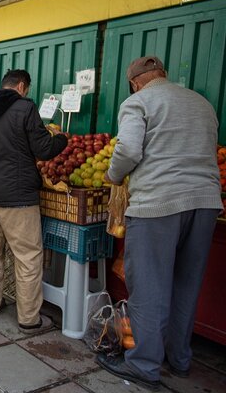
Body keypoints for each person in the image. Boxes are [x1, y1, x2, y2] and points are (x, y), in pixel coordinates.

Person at [97, 57, 222, 391]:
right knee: (186, 284)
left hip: (158, 204)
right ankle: (179, 359)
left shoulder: (138, 102)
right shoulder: (202, 103)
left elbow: (127, 151)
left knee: (149, 288)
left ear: (135, 82)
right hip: (206, 203)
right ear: (162, 76)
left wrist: (113, 176)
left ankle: (143, 364)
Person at [0, 69, 67, 333]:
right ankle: (28, 319)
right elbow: (44, 150)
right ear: (22, 86)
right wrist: (61, 138)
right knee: (27, 257)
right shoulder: (25, 108)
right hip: (18, 198)